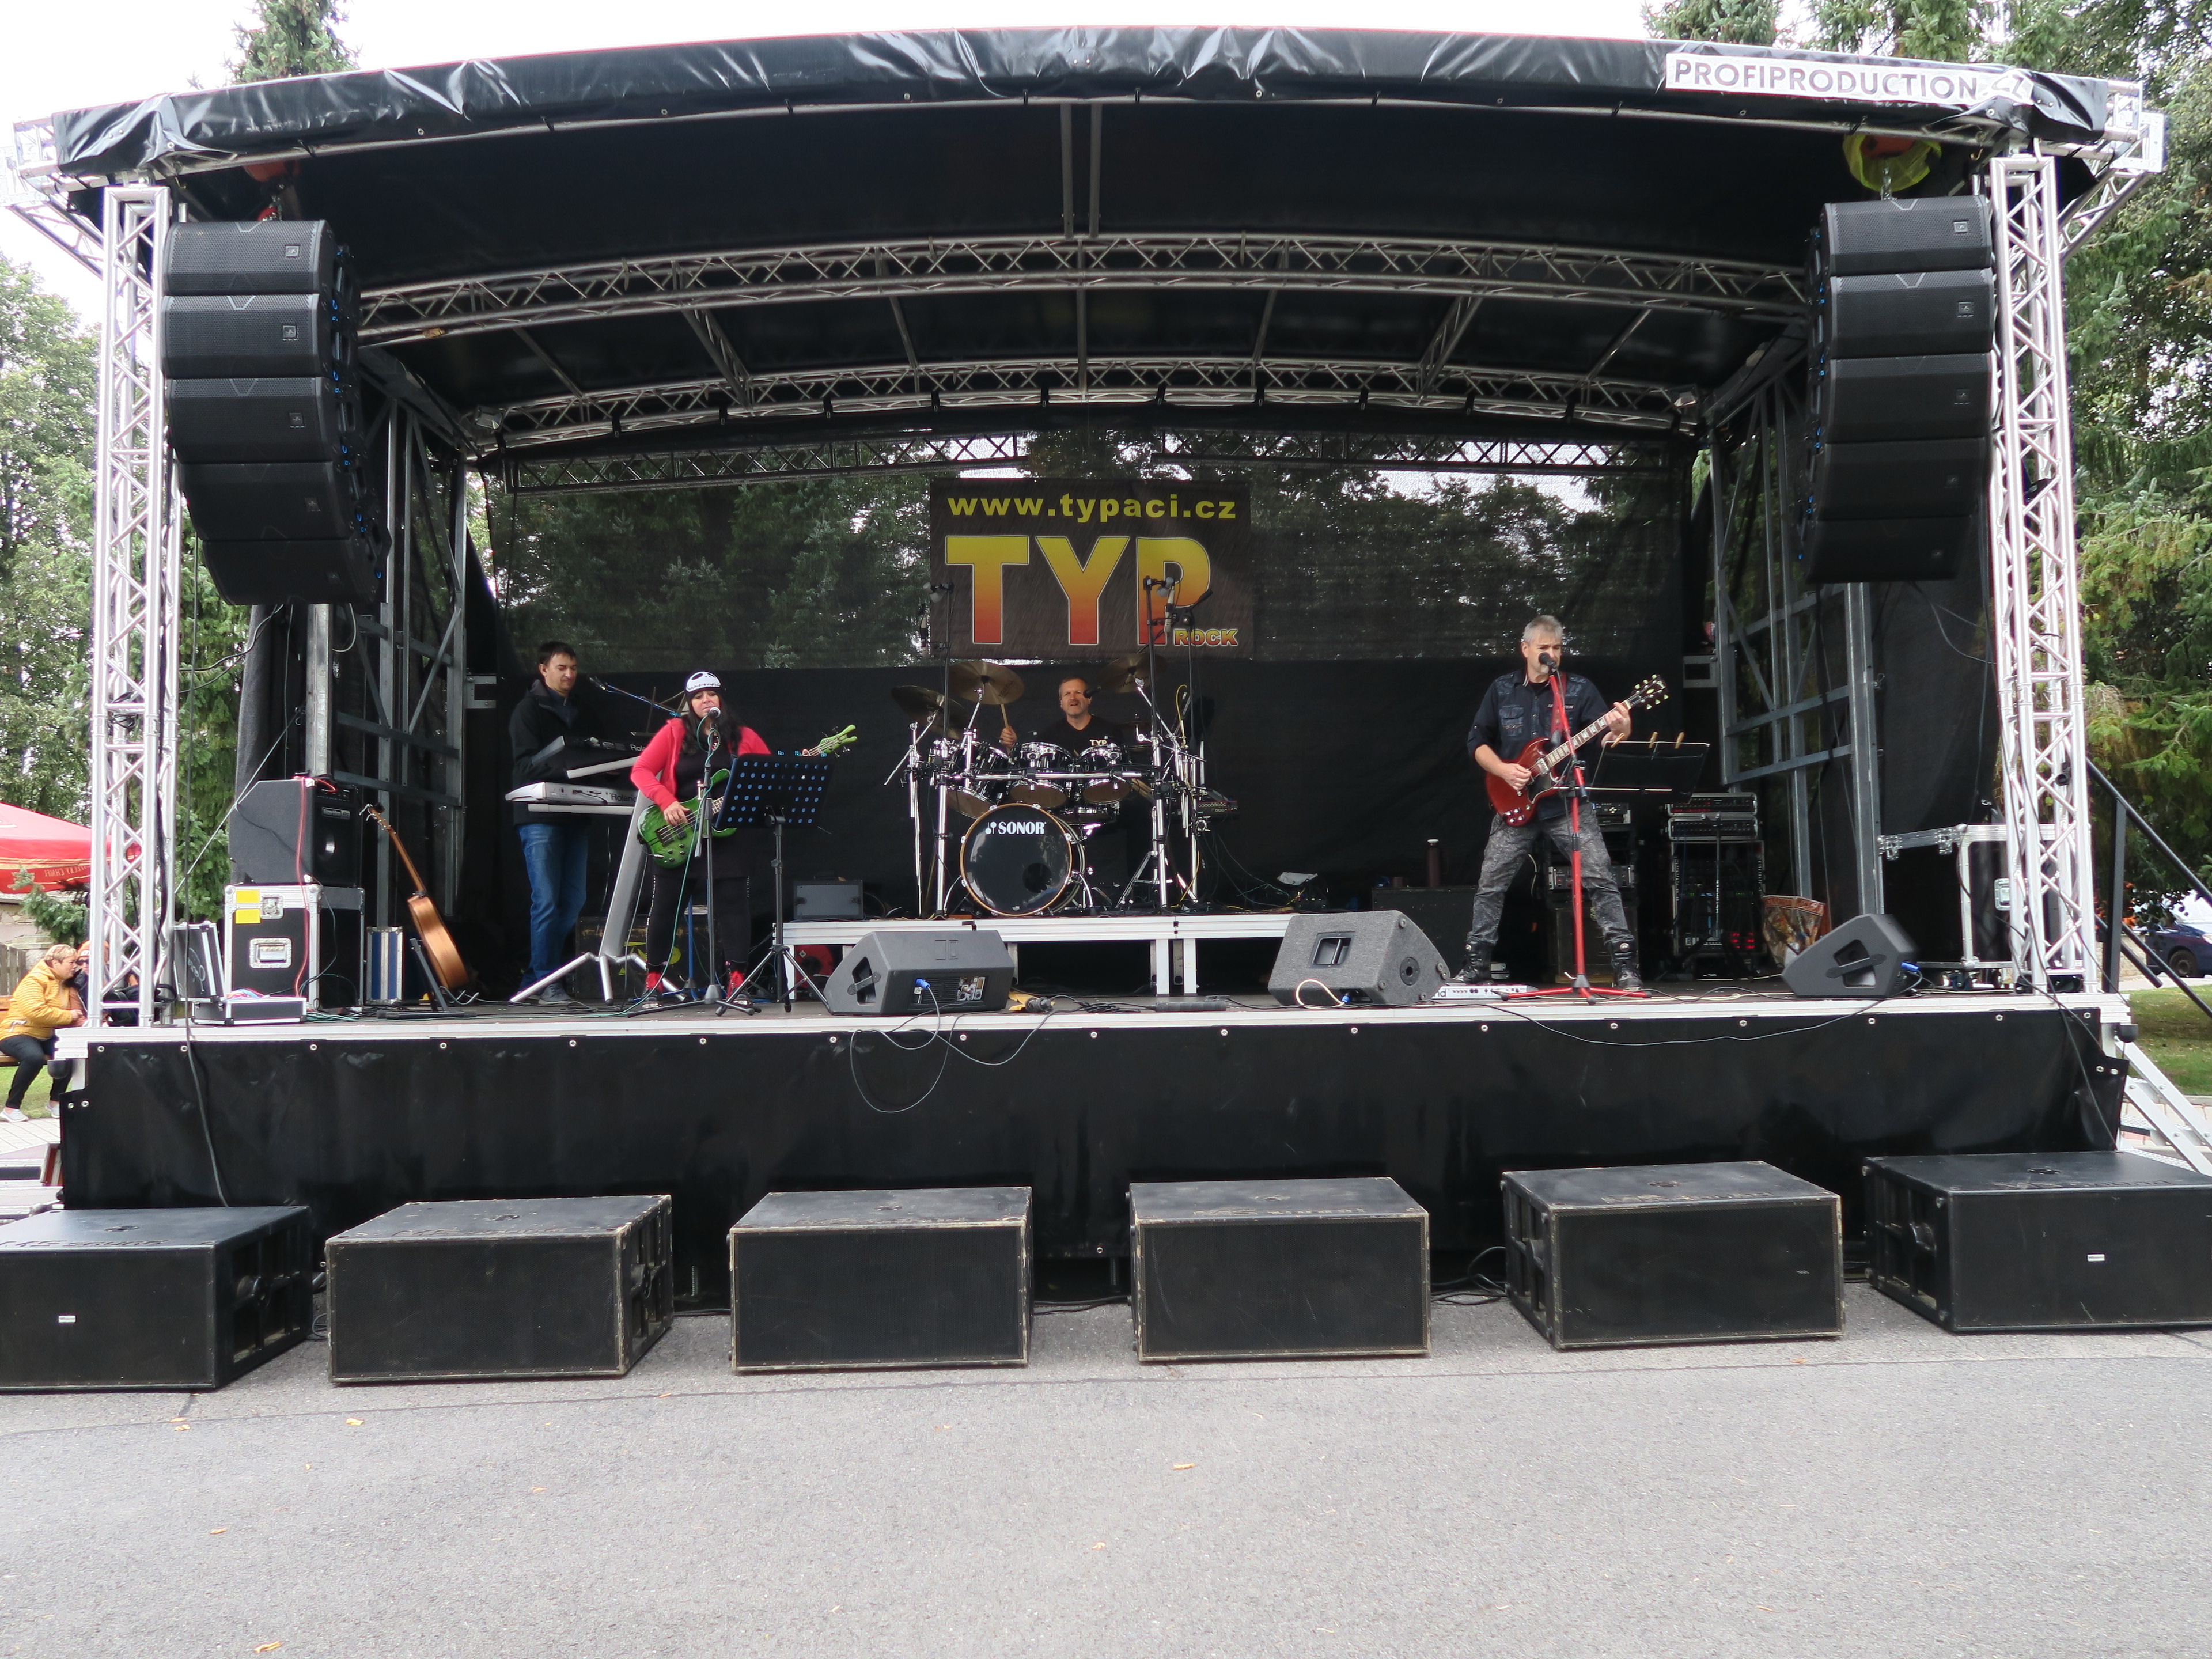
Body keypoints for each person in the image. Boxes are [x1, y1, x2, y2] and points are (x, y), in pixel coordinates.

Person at [1459, 615, 1641, 991]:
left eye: (1557, 648)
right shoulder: (1503, 689)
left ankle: (1624, 964)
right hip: (1514, 803)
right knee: (1491, 884)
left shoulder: (1578, 690)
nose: (1551, 654)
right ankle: (1476, 963)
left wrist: (1622, 729)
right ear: (1526, 649)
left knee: (1600, 878)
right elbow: (1477, 742)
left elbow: (1604, 739)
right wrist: (1505, 770)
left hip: (1566, 803)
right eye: (1544, 647)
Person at [630, 672, 772, 1001]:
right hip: (680, 831)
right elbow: (641, 770)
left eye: (711, 693)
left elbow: (767, 774)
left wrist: (798, 762)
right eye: (698, 696)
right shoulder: (675, 731)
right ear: (690, 704)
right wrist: (666, 801)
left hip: (729, 832)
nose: (706, 700)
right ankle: (654, 978)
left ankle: (736, 978)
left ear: (722, 699)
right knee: (666, 905)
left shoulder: (744, 736)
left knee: (733, 904)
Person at [509, 640, 614, 1000]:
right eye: (561, 668)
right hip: (539, 815)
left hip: (575, 815)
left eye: (573, 668)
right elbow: (524, 766)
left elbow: (600, 756)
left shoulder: (583, 710)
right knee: (547, 901)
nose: (570, 675)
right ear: (543, 670)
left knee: (573, 902)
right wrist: (567, 762)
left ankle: (535, 980)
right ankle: (547, 981)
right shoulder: (527, 710)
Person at [2, 943, 88, 1119]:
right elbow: (36, 1012)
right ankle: (11, 1108)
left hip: (45, 1035)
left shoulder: (64, 982)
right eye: (71, 962)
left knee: (69, 1051)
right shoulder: (35, 980)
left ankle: (55, 1102)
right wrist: (69, 1016)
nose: (75, 966)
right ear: (56, 963)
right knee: (33, 1057)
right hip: (17, 1032)